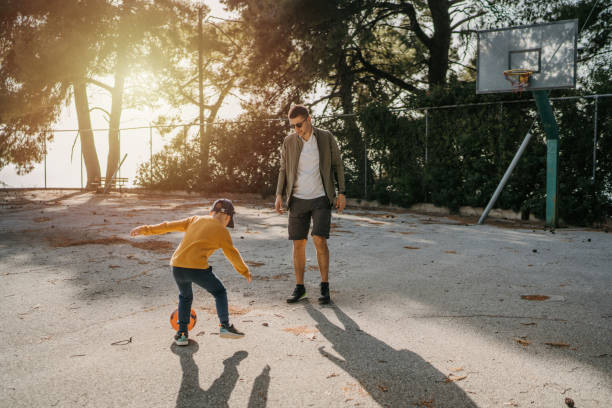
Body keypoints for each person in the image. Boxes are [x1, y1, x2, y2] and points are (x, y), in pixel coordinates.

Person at [130, 198, 251, 346]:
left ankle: (182, 334)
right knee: (219, 292)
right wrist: (244, 271)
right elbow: (233, 254)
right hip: (197, 269)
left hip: (177, 266)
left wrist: (145, 229)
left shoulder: (195, 219)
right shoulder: (222, 232)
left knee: (185, 297)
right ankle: (225, 326)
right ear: (228, 217)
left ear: (211, 212)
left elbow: (168, 226)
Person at [275, 104, 346, 304]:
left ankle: (324, 287)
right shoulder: (289, 141)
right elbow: (283, 169)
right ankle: (300, 288)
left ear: (309, 119)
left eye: (299, 125)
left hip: (321, 197)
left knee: (319, 239)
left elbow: (337, 164)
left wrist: (342, 192)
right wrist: (279, 194)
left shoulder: (325, 137)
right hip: (297, 199)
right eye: (292, 126)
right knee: (298, 243)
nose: (296, 129)